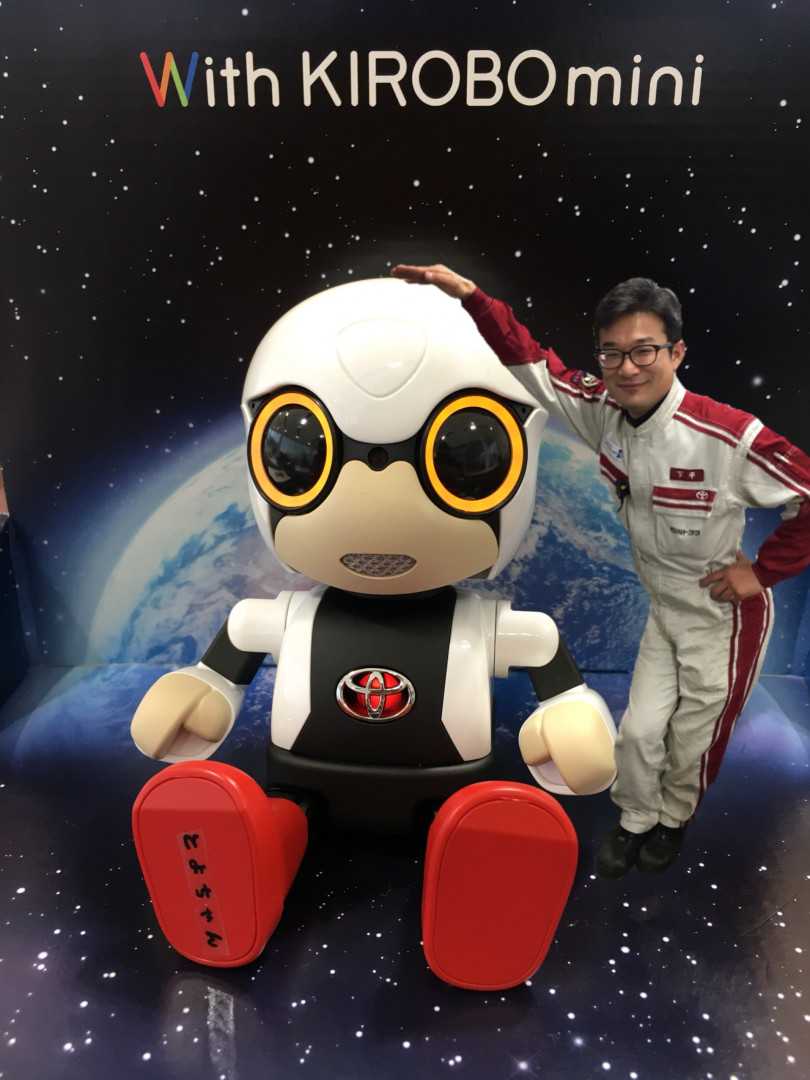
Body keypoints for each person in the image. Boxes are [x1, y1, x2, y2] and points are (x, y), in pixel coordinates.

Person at [391, 262, 810, 878]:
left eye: (644, 350)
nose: (628, 368)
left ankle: (672, 820)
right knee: (639, 732)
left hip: (724, 615)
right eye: (612, 354)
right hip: (665, 606)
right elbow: (532, 363)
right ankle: (635, 818)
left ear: (676, 352)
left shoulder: (726, 436)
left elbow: (806, 493)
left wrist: (762, 573)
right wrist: (471, 296)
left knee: (694, 737)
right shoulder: (602, 411)